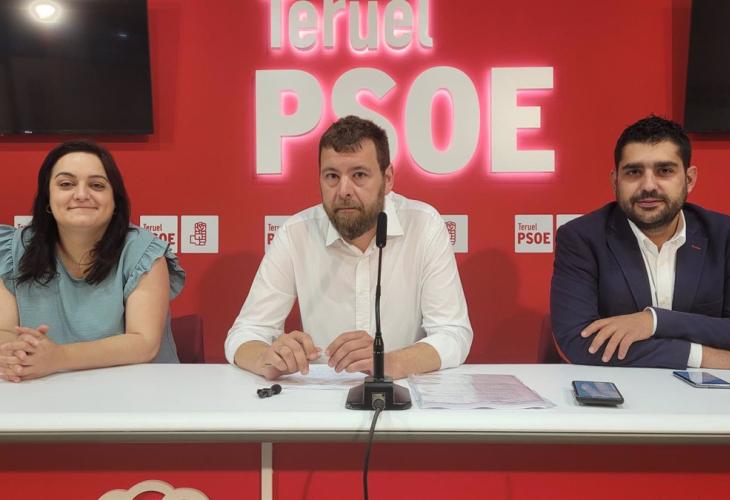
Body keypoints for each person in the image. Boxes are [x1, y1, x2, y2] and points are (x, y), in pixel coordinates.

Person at [226, 115, 472, 380]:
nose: (344, 190)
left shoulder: (424, 225)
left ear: (388, 179)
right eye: (332, 176)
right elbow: (246, 332)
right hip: (320, 396)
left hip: (402, 394)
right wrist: (267, 357)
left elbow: (453, 333)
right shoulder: (296, 233)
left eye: (359, 175)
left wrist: (390, 362)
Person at [551, 115, 730, 369]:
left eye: (664, 171)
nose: (648, 186)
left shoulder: (724, 235)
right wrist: (703, 357)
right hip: (622, 391)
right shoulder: (581, 238)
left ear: (689, 179)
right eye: (634, 172)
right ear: (615, 181)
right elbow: (579, 342)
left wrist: (654, 321)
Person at [0, 140, 185, 382]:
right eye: (66, 184)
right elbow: (4, 331)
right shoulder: (13, 250)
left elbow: (144, 344)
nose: (81, 195)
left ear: (115, 200)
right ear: (47, 198)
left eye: (96, 185)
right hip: (42, 387)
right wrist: (16, 353)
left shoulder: (143, 251)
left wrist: (58, 357)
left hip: (136, 389)